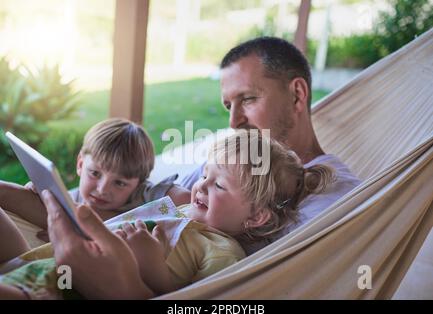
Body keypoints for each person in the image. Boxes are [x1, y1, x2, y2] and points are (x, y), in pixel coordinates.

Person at [0, 130, 335, 299]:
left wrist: (152, 266)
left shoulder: (223, 253)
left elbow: (183, 300)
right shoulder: (183, 210)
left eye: (220, 186)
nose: (201, 186)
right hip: (39, 260)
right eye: (205, 174)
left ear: (256, 217)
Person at [180, 37, 361, 254]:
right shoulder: (230, 165)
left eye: (247, 99)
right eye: (229, 106)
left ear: (297, 95)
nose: (233, 121)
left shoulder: (334, 200)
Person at [0, 118, 190, 240]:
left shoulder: (145, 194)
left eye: (120, 182)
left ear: (139, 183)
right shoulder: (72, 197)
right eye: (95, 174)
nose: (102, 189)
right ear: (80, 164)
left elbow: (186, 200)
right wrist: (39, 194)